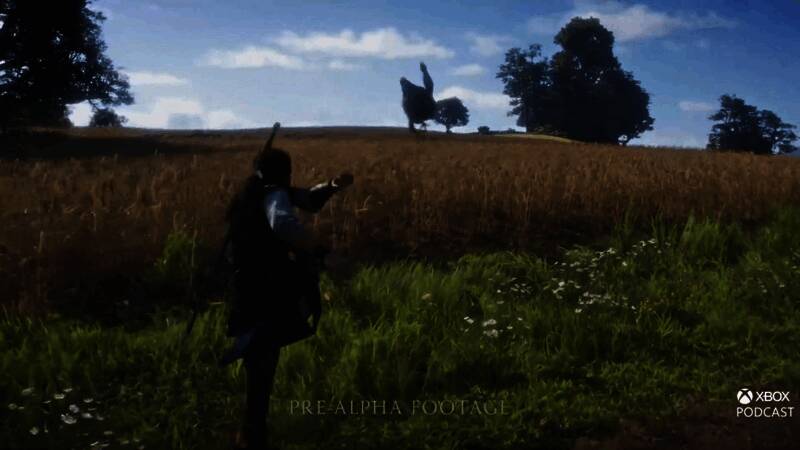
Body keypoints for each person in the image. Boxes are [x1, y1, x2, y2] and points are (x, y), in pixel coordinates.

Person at [220, 123, 353, 449]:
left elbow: (307, 198)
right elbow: (283, 222)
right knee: (263, 357)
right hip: (265, 287)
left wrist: (332, 185)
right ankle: (253, 434)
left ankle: (252, 430)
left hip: (246, 285)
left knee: (260, 357)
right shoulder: (273, 195)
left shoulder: (250, 196)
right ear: (283, 172)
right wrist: (321, 253)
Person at [400, 62, 437, 132]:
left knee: (429, 90)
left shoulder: (409, 89)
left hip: (422, 106)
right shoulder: (408, 89)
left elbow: (429, 87)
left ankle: (413, 125)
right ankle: (413, 126)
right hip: (417, 107)